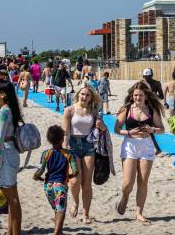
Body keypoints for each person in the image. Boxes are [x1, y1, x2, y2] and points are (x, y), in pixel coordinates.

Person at [114, 81, 165, 223]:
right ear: (132, 95)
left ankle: (139, 213)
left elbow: (162, 129)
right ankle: (124, 197)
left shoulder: (151, 110)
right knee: (127, 182)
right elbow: (117, 128)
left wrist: (152, 130)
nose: (137, 98)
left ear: (146, 96)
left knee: (143, 181)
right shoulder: (127, 109)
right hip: (130, 145)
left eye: (140, 95)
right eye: (135, 95)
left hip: (146, 146)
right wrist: (129, 132)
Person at [61, 85, 106, 224]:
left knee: (86, 183)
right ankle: (75, 202)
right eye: (82, 94)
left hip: (88, 146)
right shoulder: (69, 110)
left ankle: (86, 213)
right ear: (78, 95)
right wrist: (64, 151)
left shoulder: (93, 111)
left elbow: (104, 129)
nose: (84, 97)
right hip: (73, 146)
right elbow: (65, 133)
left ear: (91, 97)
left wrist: (101, 125)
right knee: (74, 181)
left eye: (87, 95)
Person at [0, 81, 23, 235]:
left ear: (3, 95)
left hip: (5, 155)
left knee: (11, 198)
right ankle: (12, 231)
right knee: (13, 196)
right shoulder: (9, 110)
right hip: (10, 153)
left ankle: (15, 232)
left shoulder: (3, 113)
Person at [33, 125, 78, 235]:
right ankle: (57, 232)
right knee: (61, 210)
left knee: (56, 208)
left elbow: (40, 170)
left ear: (49, 140)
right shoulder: (69, 154)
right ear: (63, 139)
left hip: (48, 186)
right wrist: (69, 177)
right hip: (60, 186)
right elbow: (76, 171)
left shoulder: (45, 154)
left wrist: (36, 177)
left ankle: (59, 231)